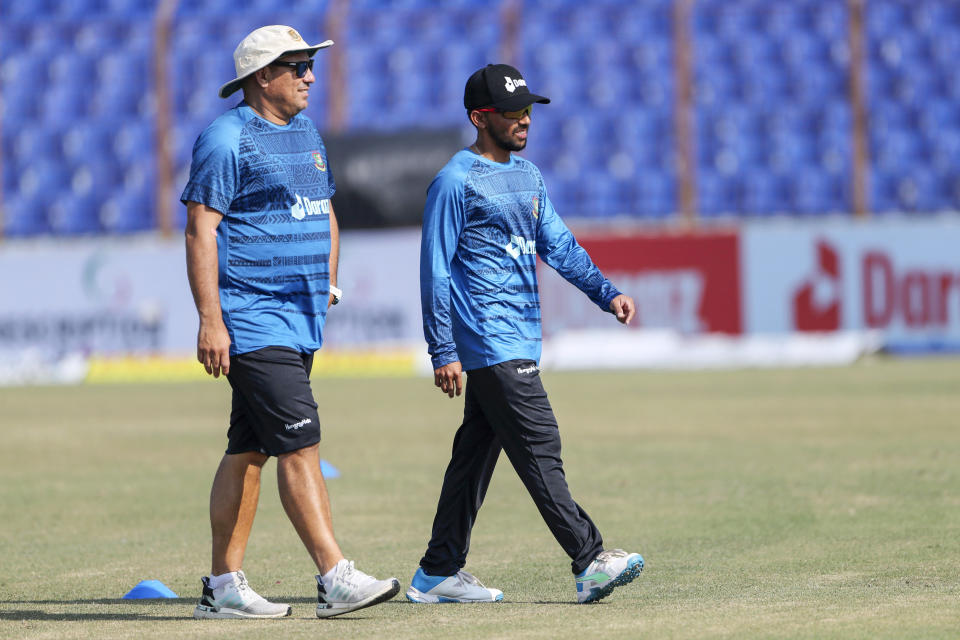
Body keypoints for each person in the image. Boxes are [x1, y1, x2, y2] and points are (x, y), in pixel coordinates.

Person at [181, 25, 399, 620]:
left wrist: (326, 278)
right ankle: (335, 576)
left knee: (247, 450)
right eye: (297, 66)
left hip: (299, 318)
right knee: (301, 443)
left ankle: (223, 587)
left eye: (311, 65)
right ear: (261, 78)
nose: (309, 76)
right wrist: (211, 320)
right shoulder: (225, 139)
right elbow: (201, 229)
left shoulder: (305, 133)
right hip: (253, 318)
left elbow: (324, 209)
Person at [407, 64, 644, 605]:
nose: (524, 120)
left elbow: (559, 246)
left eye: (528, 110)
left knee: (472, 460)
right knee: (540, 446)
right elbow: (436, 270)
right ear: (479, 118)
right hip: (489, 341)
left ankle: (437, 571)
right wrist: (442, 348)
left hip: (517, 337)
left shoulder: (529, 177)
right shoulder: (454, 181)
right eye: (513, 112)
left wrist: (606, 294)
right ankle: (588, 559)